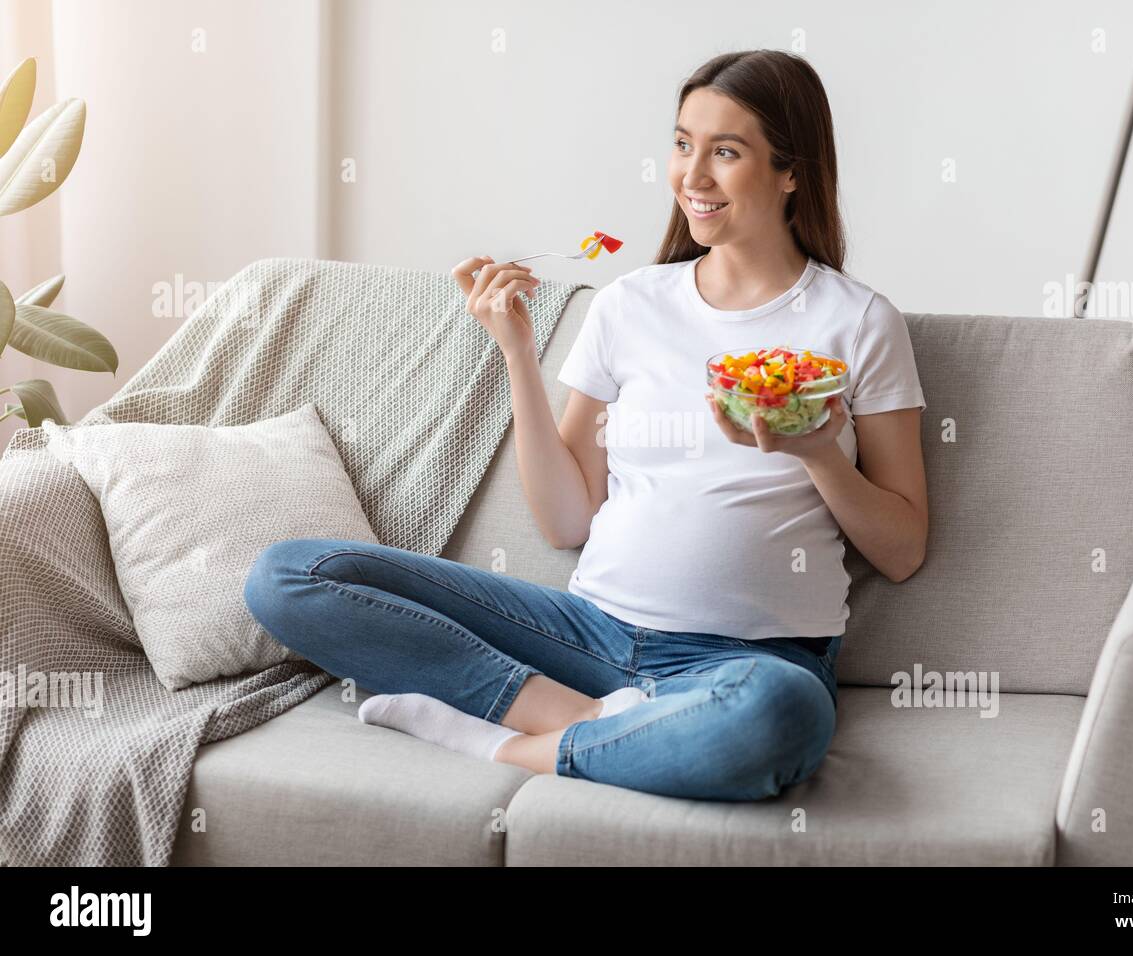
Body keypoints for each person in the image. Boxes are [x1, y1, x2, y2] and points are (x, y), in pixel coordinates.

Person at [244, 49, 928, 801]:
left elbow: (901, 550)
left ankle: (502, 746)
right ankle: (591, 718)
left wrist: (820, 456)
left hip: (748, 663)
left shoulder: (858, 322)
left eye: (725, 152)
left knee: (782, 715)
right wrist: (517, 353)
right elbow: (567, 518)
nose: (691, 176)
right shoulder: (630, 305)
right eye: (681, 144)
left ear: (791, 171)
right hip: (585, 634)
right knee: (288, 576)